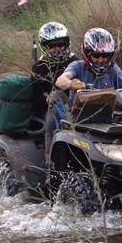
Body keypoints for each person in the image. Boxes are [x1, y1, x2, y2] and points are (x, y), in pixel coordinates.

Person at [55, 27, 122, 109]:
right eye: (96, 56)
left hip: (112, 114)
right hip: (82, 115)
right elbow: (60, 81)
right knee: (55, 98)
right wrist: (73, 85)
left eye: (105, 56)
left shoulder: (113, 69)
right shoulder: (78, 66)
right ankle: (50, 137)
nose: (101, 60)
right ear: (87, 53)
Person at [31, 21, 79, 159]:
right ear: (44, 46)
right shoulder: (40, 67)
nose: (58, 49)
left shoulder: (74, 62)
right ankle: (50, 162)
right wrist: (49, 98)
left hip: (76, 106)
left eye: (61, 44)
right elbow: (36, 98)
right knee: (55, 103)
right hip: (49, 110)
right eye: (52, 46)